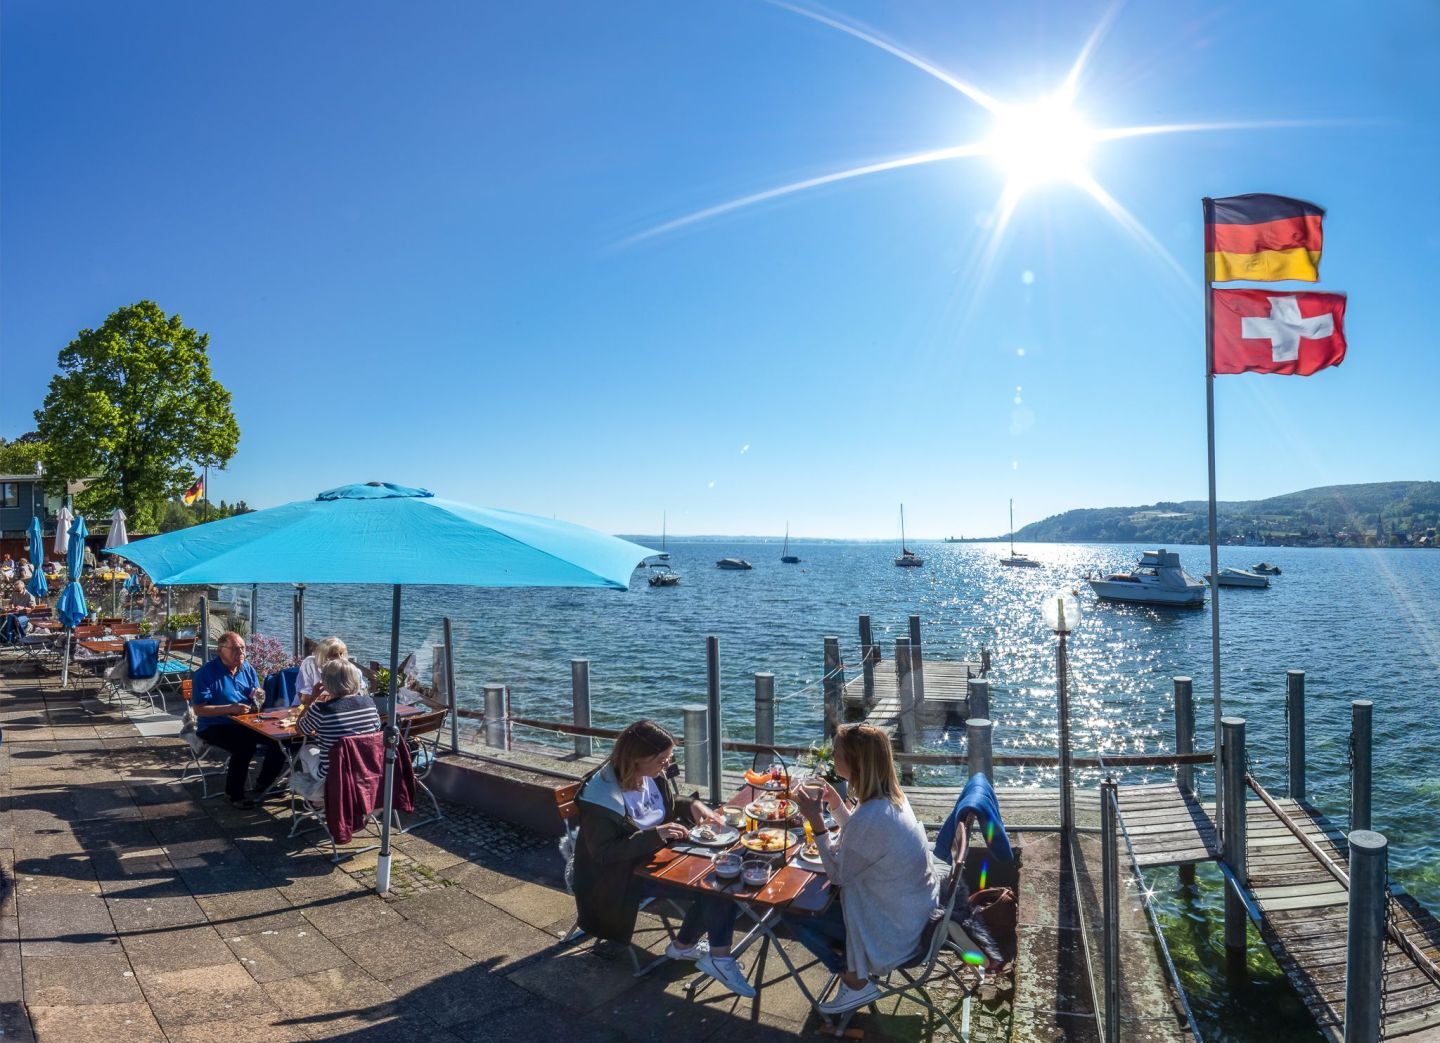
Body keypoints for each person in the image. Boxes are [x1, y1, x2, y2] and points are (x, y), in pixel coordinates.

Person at [573, 719, 755, 998]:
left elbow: (665, 806)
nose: (667, 764)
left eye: (669, 757)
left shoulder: (651, 774)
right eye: (661, 759)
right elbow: (604, 853)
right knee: (716, 885)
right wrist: (656, 835)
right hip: (619, 878)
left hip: (661, 858)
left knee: (724, 872)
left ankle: (686, 947)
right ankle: (715, 957)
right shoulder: (600, 795)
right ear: (636, 758)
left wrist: (692, 805)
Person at [787, 723, 942, 1015]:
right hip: (912, 914)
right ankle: (854, 972)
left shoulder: (873, 816)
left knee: (793, 911)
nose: (833, 757)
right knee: (815, 902)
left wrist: (816, 822)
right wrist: (836, 805)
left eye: (837, 753)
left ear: (855, 763)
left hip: (893, 933)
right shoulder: (891, 799)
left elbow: (838, 874)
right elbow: (863, 842)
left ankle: (855, 980)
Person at [189, 631, 288, 807]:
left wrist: (258, 695)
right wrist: (230, 708)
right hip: (215, 724)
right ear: (220, 651)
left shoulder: (246, 668)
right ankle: (234, 795)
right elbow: (199, 710)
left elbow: (255, 693)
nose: (241, 653)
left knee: (280, 739)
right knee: (244, 747)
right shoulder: (206, 673)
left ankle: (265, 782)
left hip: (245, 721)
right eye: (235, 649)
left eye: (243, 648)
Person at [290, 658, 382, 803]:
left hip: (333, 775)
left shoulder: (321, 709)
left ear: (326, 683)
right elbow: (376, 730)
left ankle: (316, 796)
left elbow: (300, 729)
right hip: (364, 770)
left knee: (306, 749)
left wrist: (311, 700)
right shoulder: (369, 703)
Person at [294, 636, 354, 706]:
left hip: (334, 707)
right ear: (323, 656)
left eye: (341, 654)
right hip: (304, 707)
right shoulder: (310, 663)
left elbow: (358, 691)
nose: (339, 658)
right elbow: (303, 698)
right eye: (334, 655)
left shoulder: (345, 667)